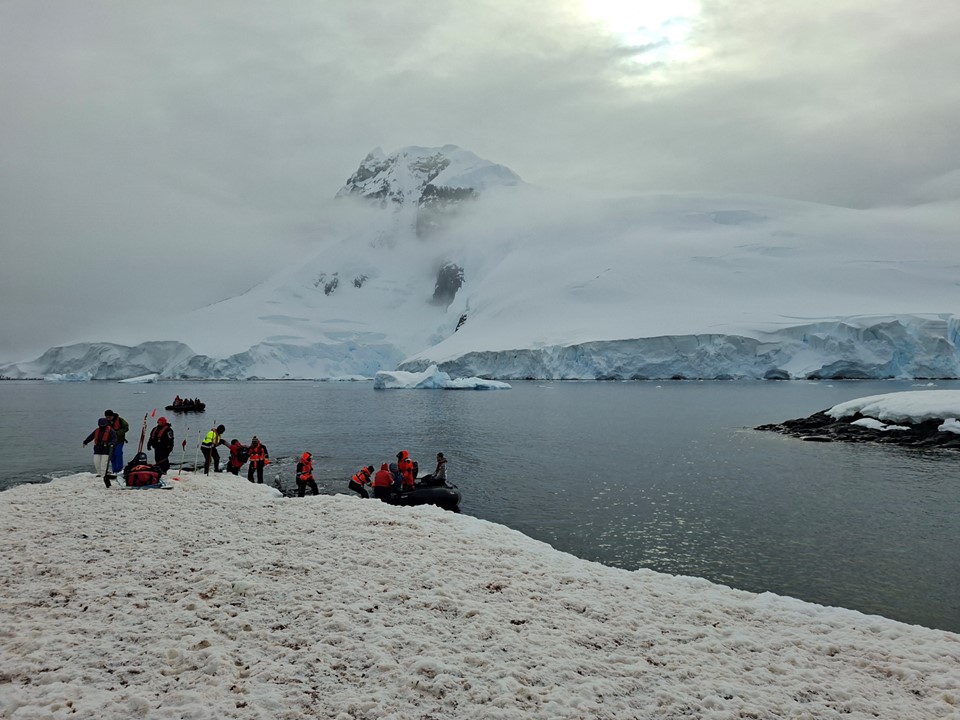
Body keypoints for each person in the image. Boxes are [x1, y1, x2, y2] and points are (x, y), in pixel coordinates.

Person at [83, 418, 117, 487]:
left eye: (103, 425)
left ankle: (104, 475)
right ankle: (100, 473)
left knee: (104, 463)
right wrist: (85, 442)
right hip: (97, 449)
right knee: (96, 462)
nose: (102, 427)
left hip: (106, 449)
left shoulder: (111, 430)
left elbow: (114, 439)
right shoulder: (97, 430)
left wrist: (110, 444)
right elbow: (91, 436)